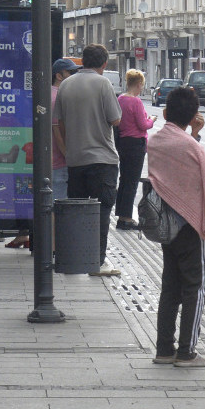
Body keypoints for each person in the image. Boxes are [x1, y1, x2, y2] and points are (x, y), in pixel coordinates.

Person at [147, 86, 205, 367]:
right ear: (193, 117)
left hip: (167, 223)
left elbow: (178, 168)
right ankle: (187, 351)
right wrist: (195, 134)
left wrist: (193, 134)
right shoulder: (190, 145)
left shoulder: (155, 141)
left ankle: (164, 348)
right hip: (191, 224)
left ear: (165, 113)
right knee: (195, 287)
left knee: (170, 286)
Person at [54, 44, 122, 277]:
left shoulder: (66, 84)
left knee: (78, 211)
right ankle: (98, 261)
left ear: (83, 60)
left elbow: (59, 122)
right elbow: (115, 119)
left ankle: (77, 259)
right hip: (102, 159)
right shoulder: (103, 83)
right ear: (104, 64)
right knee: (102, 212)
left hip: (76, 160)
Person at [6, 58, 78, 249]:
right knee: (55, 206)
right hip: (58, 160)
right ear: (59, 75)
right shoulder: (58, 97)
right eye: (71, 73)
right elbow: (58, 129)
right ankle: (52, 247)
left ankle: (38, 241)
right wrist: (67, 154)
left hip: (38, 159)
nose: (74, 76)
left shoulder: (43, 94)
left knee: (41, 204)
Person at [114, 69, 156, 230]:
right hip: (135, 144)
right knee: (132, 181)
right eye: (142, 85)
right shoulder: (136, 102)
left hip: (123, 142)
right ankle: (126, 218)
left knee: (124, 179)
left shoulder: (121, 99)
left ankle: (121, 214)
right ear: (138, 84)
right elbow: (143, 125)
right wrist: (151, 120)